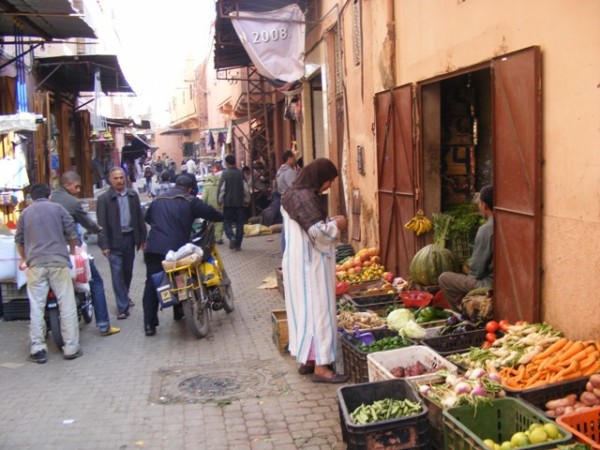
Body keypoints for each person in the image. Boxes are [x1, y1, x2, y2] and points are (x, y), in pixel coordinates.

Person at [281, 158, 349, 383]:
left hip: (296, 265)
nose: (328, 186)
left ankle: (307, 359)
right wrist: (336, 225)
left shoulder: (291, 194)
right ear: (319, 177)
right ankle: (322, 367)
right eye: (328, 181)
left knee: (303, 312)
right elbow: (318, 234)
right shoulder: (306, 198)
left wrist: (329, 221)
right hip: (312, 266)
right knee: (321, 312)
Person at [142, 174, 223, 336]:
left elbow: (148, 218)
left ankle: (149, 325)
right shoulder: (190, 200)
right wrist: (223, 217)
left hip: (154, 248)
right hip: (177, 250)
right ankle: (179, 310)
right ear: (191, 188)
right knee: (183, 276)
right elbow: (210, 213)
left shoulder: (157, 199)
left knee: (152, 284)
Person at [15, 183, 82, 363]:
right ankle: (70, 347)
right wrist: (72, 252)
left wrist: (25, 259)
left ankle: (37, 347)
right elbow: (72, 233)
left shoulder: (25, 214)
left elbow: (19, 241)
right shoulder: (58, 209)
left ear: (32, 198)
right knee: (66, 304)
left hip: (35, 263)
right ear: (49, 195)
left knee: (36, 306)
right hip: (58, 262)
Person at [51, 171, 120, 336]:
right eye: (76, 186)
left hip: (50, 252)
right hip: (71, 250)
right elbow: (87, 222)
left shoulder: (51, 198)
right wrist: (98, 229)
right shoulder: (73, 202)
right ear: (67, 185)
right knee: (95, 281)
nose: (78, 190)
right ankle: (103, 324)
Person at [97, 167, 147, 319]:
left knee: (127, 271)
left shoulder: (133, 195)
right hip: (113, 242)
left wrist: (143, 239)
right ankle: (122, 307)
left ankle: (124, 295)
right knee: (117, 274)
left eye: (121, 177)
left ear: (125, 178)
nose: (119, 181)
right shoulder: (104, 199)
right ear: (111, 180)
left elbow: (139, 217)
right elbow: (101, 224)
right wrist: (104, 245)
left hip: (130, 239)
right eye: (116, 178)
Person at [438, 185, 494, 311]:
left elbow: (476, 271)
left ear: (484, 205)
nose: (479, 208)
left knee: (444, 278)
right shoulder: (506, 223)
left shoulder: (486, 229)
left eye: (479, 204)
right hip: (500, 281)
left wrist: (468, 271)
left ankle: (463, 312)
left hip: (488, 284)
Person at [217, 155, 247, 251]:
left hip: (228, 203)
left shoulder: (225, 174)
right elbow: (246, 189)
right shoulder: (240, 174)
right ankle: (238, 245)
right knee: (239, 223)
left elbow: (222, 189)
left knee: (227, 222)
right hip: (239, 202)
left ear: (227, 163)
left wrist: (219, 201)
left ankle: (231, 236)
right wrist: (247, 200)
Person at [276, 150, 298, 252]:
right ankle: (287, 251)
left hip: (283, 201)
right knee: (289, 228)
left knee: (286, 227)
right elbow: (294, 188)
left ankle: (285, 250)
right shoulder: (289, 172)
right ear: (289, 158)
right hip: (290, 202)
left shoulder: (280, 172)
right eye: (294, 157)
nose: (295, 159)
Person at [202, 173, 224, 244]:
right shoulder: (219, 184)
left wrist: (203, 204)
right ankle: (218, 238)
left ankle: (211, 237)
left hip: (210, 207)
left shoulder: (206, 186)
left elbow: (204, 198)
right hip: (219, 205)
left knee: (211, 222)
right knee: (219, 222)